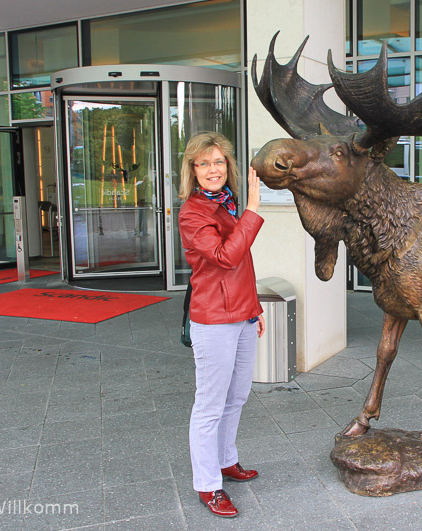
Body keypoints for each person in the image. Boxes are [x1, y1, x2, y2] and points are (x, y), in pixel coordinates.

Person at [177, 132, 265, 519]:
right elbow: (226, 257)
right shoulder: (193, 212)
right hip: (214, 320)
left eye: (219, 162)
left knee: (237, 397)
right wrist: (253, 210)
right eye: (204, 163)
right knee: (209, 406)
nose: (213, 169)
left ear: (228, 165)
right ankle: (208, 485)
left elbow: (242, 266)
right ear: (193, 170)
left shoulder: (226, 205)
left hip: (242, 315)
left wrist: (254, 307)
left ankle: (227, 460)